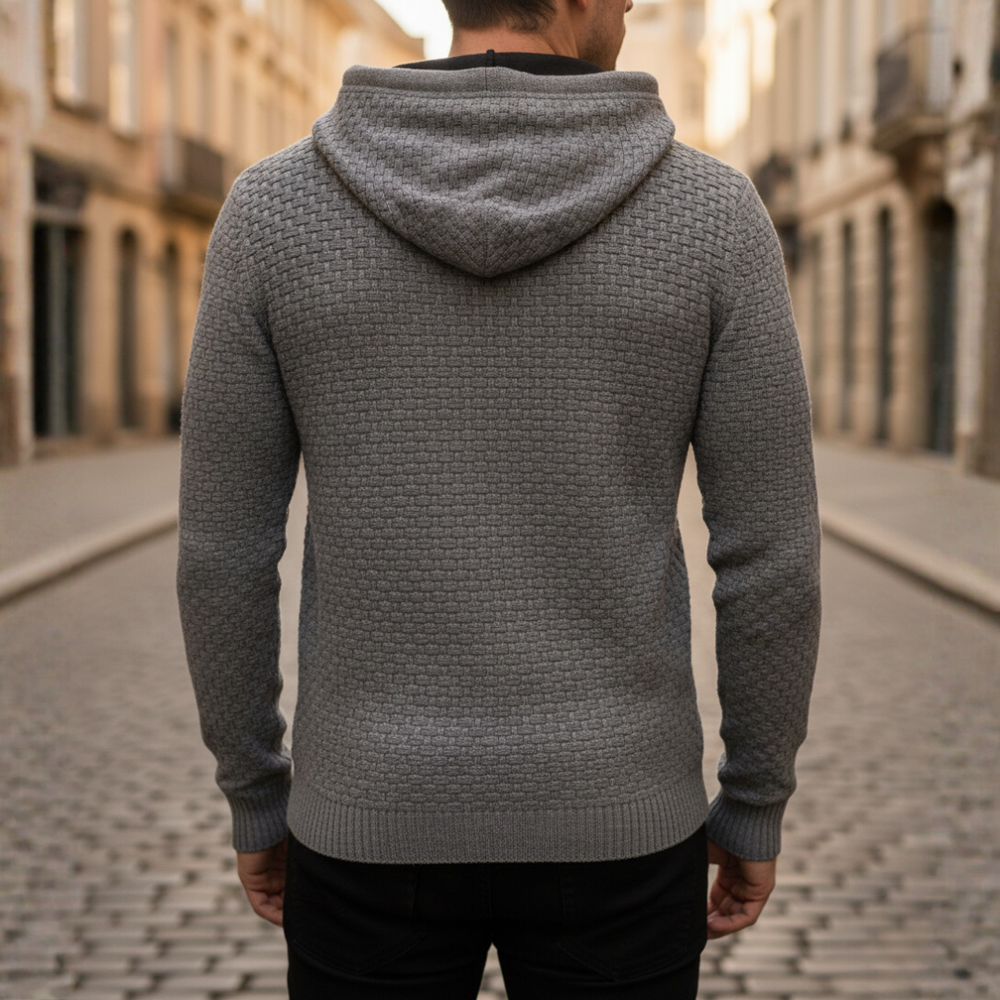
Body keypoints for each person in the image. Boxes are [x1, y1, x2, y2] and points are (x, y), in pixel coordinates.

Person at [175, 0, 822, 996]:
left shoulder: (274, 211)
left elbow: (222, 554)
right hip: (620, 816)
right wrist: (754, 800)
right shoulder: (710, 214)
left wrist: (256, 792)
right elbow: (772, 556)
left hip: (367, 816)